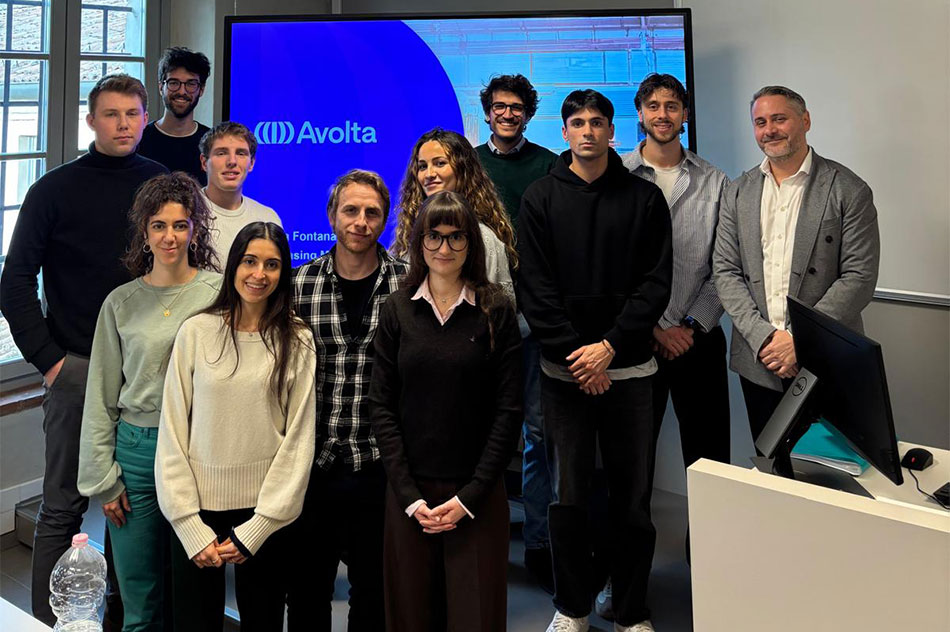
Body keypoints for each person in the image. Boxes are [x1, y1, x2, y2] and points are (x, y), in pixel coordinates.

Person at [0, 73, 167, 626]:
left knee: (134, 509)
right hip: (76, 368)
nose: (123, 124)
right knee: (62, 509)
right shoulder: (53, 189)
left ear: (145, 118)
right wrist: (51, 363)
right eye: (111, 114)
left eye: (133, 114)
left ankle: (122, 622)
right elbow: (14, 283)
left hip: (145, 373)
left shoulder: (160, 183)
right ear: (91, 120)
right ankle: (48, 625)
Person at [518, 90, 672, 632]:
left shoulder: (644, 199)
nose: (588, 130)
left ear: (612, 130)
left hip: (630, 373)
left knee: (632, 502)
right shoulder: (540, 197)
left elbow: (655, 284)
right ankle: (573, 608)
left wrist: (608, 347)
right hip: (563, 376)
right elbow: (535, 289)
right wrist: (579, 357)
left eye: (597, 122)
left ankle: (630, 611)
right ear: (564, 133)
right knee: (568, 501)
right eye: (578, 122)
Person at [580, 74, 732, 616]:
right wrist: (651, 329)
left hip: (698, 340)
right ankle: (621, 583)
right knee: (629, 473)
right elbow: (610, 267)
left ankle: (714, 578)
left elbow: (725, 266)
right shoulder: (613, 175)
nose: (663, 113)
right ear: (639, 113)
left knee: (710, 465)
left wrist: (689, 324)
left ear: (684, 113)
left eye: (672, 105)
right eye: (652, 105)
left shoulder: (716, 182)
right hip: (632, 345)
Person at [369, 191, 522, 632]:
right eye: (434, 236)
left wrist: (469, 497)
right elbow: (382, 405)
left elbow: (508, 410)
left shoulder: (495, 308)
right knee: (411, 617)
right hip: (410, 494)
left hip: (477, 495)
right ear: (419, 242)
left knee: (476, 617)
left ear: (471, 244)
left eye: (456, 237)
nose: (444, 248)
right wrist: (409, 496)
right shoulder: (397, 308)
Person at [155, 222, 316, 631]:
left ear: (283, 273)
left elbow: (298, 442)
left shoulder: (297, 339)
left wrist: (260, 526)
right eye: (249, 261)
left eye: (272, 264)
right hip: (197, 508)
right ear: (234, 266)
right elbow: (172, 433)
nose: (259, 274)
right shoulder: (196, 331)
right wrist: (188, 525)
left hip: (265, 512)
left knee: (263, 621)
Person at [77, 172, 220, 631]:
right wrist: (103, 479)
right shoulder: (120, 303)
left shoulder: (219, 294)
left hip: (197, 451)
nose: (169, 236)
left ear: (195, 229)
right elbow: (101, 396)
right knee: (139, 602)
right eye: (159, 225)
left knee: (193, 598)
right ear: (145, 231)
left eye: (180, 225)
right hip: (136, 454)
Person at [713, 85, 880, 443]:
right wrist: (764, 339)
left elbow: (859, 276)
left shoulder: (848, 189)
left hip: (827, 360)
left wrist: (799, 340)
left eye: (779, 119)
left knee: (828, 468)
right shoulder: (738, 191)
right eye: (760, 122)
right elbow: (725, 270)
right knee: (771, 465)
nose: (769, 130)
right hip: (759, 360)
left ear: (805, 121)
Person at [287, 170, 407, 632]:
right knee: (306, 594)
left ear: (385, 220)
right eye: (351, 210)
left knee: (374, 596)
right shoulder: (299, 284)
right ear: (332, 216)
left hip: (378, 465)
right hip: (312, 465)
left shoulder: (407, 285)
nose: (361, 221)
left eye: (372, 213)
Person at [475, 74, 559, 592]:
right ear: (488, 112)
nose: (508, 114)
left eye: (517, 107)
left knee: (538, 435)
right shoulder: (468, 165)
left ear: (528, 113)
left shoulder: (549, 165)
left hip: (534, 321)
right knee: (474, 431)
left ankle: (539, 544)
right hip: (477, 323)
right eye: (500, 106)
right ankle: (477, 542)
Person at [393, 128, 516, 298]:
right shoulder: (410, 232)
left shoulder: (483, 238)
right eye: (422, 166)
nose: (429, 174)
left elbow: (499, 306)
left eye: (440, 163)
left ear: (463, 169)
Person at [198, 121, 282, 262]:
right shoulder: (184, 214)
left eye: (241, 153)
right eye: (221, 153)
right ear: (204, 162)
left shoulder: (268, 218)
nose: (232, 161)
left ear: (252, 163)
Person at [137, 47, 211, 184]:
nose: (182, 91)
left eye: (191, 84)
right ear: (161, 87)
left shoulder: (212, 143)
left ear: (201, 90)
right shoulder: (139, 140)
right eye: (174, 83)